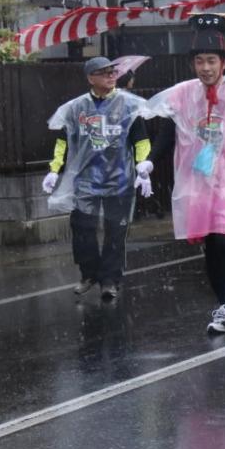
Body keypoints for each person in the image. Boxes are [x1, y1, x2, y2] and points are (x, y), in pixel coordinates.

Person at [145, 14, 225, 334]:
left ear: (223, 64)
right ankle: (222, 303)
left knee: (223, 236)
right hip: (200, 175)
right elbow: (168, 132)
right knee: (211, 243)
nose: (205, 68)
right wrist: (149, 160)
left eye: (212, 61)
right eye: (200, 61)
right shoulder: (183, 93)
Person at [42, 57, 151, 299]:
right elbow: (63, 141)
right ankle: (89, 273)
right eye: (103, 73)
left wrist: (143, 166)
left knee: (116, 232)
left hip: (119, 179)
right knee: (82, 229)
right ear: (90, 78)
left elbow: (140, 139)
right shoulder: (75, 108)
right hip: (85, 180)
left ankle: (110, 280)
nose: (111, 76)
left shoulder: (128, 105)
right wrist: (54, 169)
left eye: (112, 72)